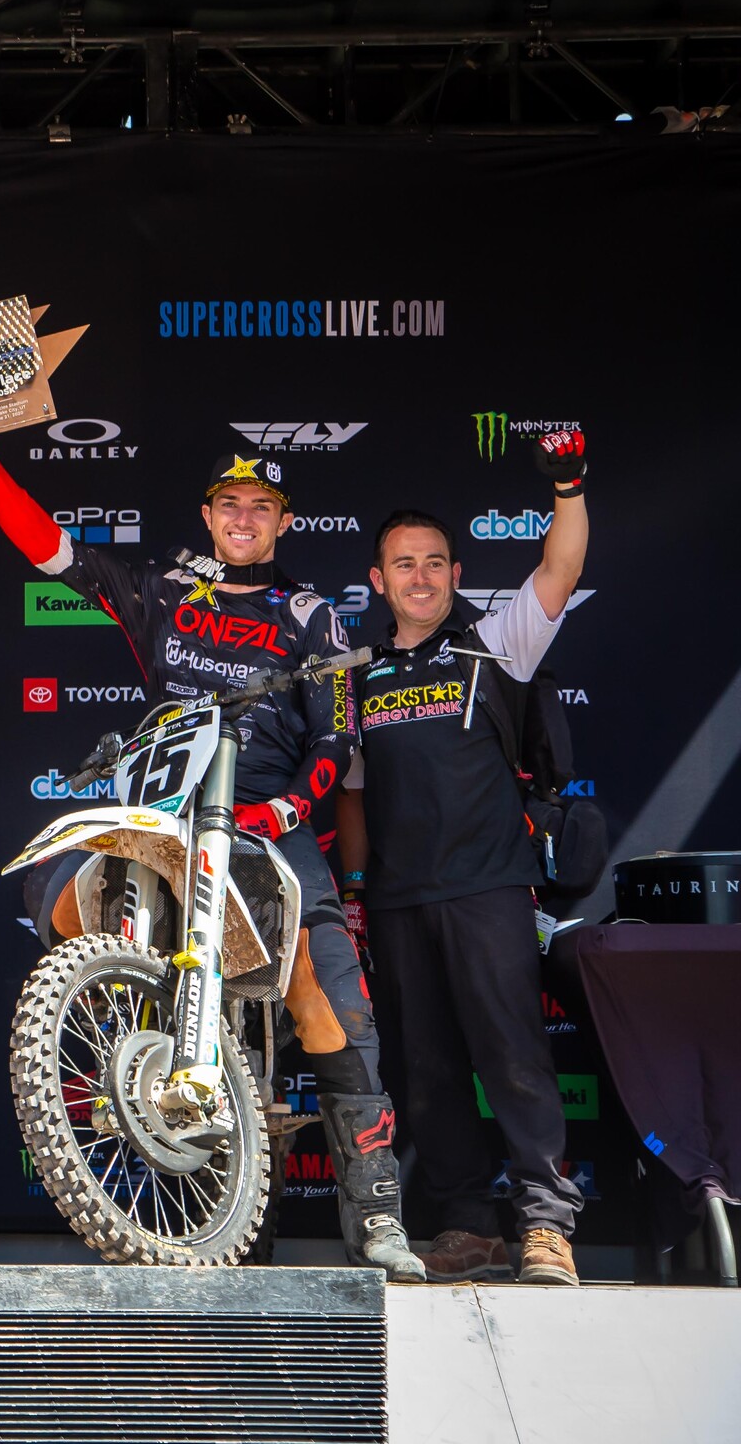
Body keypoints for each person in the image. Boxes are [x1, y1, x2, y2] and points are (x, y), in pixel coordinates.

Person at [0, 404, 424, 1281]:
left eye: (260, 507)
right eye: (228, 506)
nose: (243, 520)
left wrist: (282, 815)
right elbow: (52, 549)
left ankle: (379, 1218)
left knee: (328, 1001)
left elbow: (339, 742)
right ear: (207, 517)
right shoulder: (166, 593)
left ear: (282, 520)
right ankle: (143, 1119)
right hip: (166, 819)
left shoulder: (311, 615)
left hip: (265, 827)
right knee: (57, 887)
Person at [334, 428, 592, 1286]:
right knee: (429, 1072)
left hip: (488, 889)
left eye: (435, 562)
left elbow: (558, 571)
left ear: (452, 572)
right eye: (403, 564)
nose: (420, 576)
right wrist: (359, 891)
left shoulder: (496, 644)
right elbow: (357, 797)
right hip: (400, 901)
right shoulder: (357, 676)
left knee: (513, 1057)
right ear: (379, 579)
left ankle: (547, 1225)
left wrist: (566, 484)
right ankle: (467, 1226)